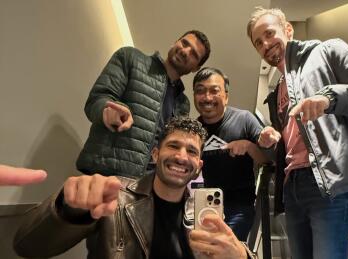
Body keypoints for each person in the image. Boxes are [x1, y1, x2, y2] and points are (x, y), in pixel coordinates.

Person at [247, 7, 348, 259]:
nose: (265, 45)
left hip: (328, 184)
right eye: (258, 43)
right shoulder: (277, 92)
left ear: (288, 29)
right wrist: (273, 140)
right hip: (292, 186)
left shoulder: (327, 51)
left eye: (269, 33)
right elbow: (300, 140)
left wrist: (330, 97)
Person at [14, 117, 254, 259]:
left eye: (191, 151)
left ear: (199, 165)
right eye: (173, 146)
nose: (182, 157)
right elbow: (27, 246)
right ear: (156, 154)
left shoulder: (204, 212)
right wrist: (68, 210)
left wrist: (242, 256)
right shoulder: (114, 197)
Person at [76, 30, 211, 179]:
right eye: (184, 43)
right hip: (103, 175)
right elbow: (97, 98)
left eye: (194, 54)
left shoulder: (183, 103)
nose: (185, 51)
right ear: (175, 42)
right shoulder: (130, 58)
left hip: (146, 187)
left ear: (195, 68)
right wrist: (107, 111)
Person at [192, 67, 268, 241]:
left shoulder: (244, 119)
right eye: (200, 91)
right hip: (208, 205)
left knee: (223, 248)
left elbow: (267, 160)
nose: (207, 97)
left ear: (226, 96)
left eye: (214, 91)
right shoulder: (195, 129)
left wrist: (248, 146)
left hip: (240, 207)